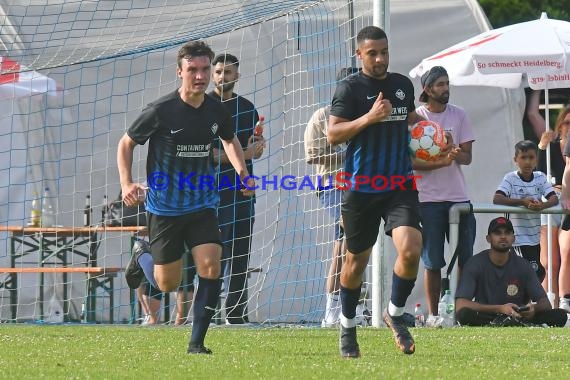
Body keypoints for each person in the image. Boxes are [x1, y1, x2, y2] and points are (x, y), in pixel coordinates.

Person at [117, 40, 255, 354]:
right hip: (165, 208)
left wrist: (244, 173)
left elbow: (230, 140)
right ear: (180, 72)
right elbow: (126, 144)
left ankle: (197, 343)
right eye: (192, 69)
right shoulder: (160, 110)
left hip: (202, 205)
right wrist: (127, 184)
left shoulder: (215, 109)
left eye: (205, 69)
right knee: (167, 283)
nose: (200, 75)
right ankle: (143, 254)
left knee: (210, 266)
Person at [328, 26, 428, 357]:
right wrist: (369, 118)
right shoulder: (349, 89)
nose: (381, 58)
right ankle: (347, 326)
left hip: (399, 184)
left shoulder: (401, 85)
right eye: (373, 53)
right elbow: (333, 134)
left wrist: (435, 139)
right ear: (360, 54)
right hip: (361, 188)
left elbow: (412, 121)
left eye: (384, 51)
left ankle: (395, 315)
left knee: (412, 249)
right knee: (356, 261)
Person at [412, 66, 476, 328]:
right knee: (432, 260)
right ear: (427, 89)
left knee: (465, 257)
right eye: (440, 84)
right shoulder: (416, 118)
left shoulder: (459, 115)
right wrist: (438, 157)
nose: (445, 88)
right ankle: (433, 314)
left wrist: (452, 150)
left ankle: (462, 310)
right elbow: (413, 162)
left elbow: (467, 158)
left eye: (447, 83)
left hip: (459, 197)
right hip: (428, 199)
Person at [208, 53, 265, 325]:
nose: (222, 77)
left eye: (227, 72)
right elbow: (207, 153)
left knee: (241, 255)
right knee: (213, 256)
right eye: (218, 72)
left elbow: (256, 147)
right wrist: (245, 153)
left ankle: (235, 314)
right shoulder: (202, 106)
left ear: (237, 76)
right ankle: (205, 312)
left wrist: (257, 147)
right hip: (211, 194)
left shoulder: (248, 108)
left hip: (243, 193)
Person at [304, 67, 359, 328]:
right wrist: (346, 155)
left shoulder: (366, 116)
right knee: (347, 238)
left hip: (362, 186)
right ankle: (333, 307)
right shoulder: (322, 116)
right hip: (331, 185)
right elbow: (312, 155)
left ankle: (346, 306)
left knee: (351, 244)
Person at [455, 217, 567, 327]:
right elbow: (460, 305)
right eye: (498, 233)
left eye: (507, 233)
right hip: (487, 315)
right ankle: (503, 323)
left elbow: (545, 303)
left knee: (560, 315)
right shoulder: (475, 263)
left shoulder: (523, 265)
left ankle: (513, 323)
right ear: (488, 238)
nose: (503, 236)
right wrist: (500, 308)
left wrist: (533, 309)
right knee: (464, 314)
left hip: (517, 316)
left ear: (513, 238)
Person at [527, 90, 569, 309]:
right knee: (547, 261)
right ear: (560, 124)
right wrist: (534, 88)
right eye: (567, 122)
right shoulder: (549, 146)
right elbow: (533, 113)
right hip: (550, 204)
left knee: (566, 253)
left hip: (567, 206)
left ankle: (564, 301)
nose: (569, 127)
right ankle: (546, 304)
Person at [493, 140, 559, 282]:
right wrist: (522, 202)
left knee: (536, 274)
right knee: (531, 274)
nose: (528, 162)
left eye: (531, 157)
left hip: (534, 238)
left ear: (536, 159)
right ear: (515, 159)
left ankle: (522, 303)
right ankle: (518, 303)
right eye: (523, 157)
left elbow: (554, 199)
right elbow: (497, 198)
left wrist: (542, 206)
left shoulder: (540, 177)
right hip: (517, 239)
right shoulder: (510, 178)